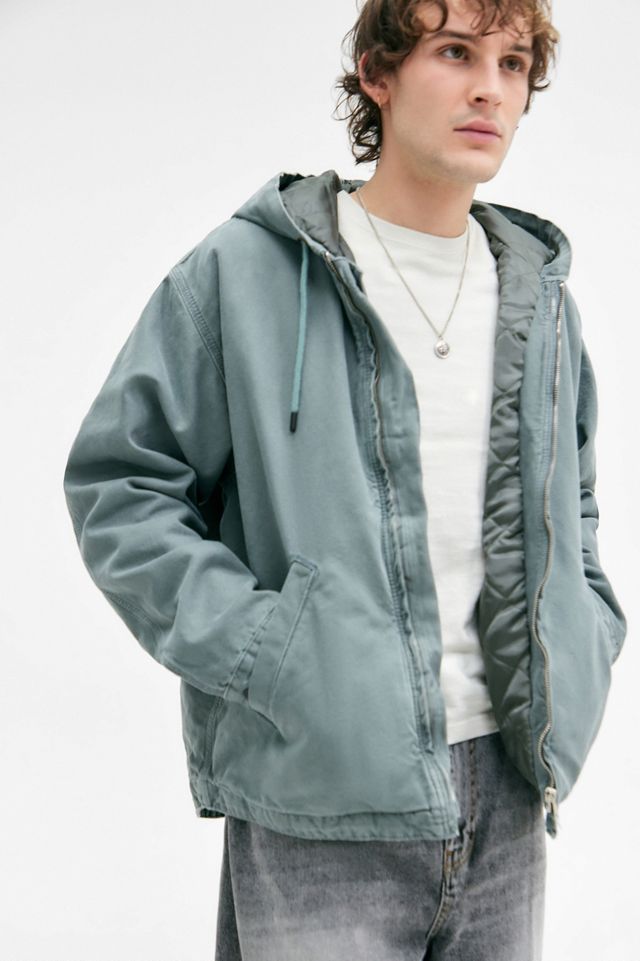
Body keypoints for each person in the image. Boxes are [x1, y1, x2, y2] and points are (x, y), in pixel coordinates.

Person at [62, 0, 627, 958]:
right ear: (378, 72)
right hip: (321, 799)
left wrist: (588, 628)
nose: (490, 89)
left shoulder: (538, 295)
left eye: (513, 63)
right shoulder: (248, 272)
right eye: (456, 52)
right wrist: (268, 651)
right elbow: (121, 484)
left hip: (508, 786)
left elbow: (574, 501)